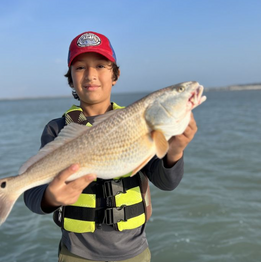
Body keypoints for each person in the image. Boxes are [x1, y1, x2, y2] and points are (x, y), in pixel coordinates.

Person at [24, 31, 198, 262]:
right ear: (71, 78)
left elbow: (167, 183)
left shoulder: (139, 122)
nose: (90, 75)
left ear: (115, 75)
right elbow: (31, 194)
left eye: (100, 66)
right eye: (80, 67)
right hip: (76, 254)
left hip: (133, 253)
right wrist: (50, 198)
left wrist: (175, 150)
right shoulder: (57, 130)